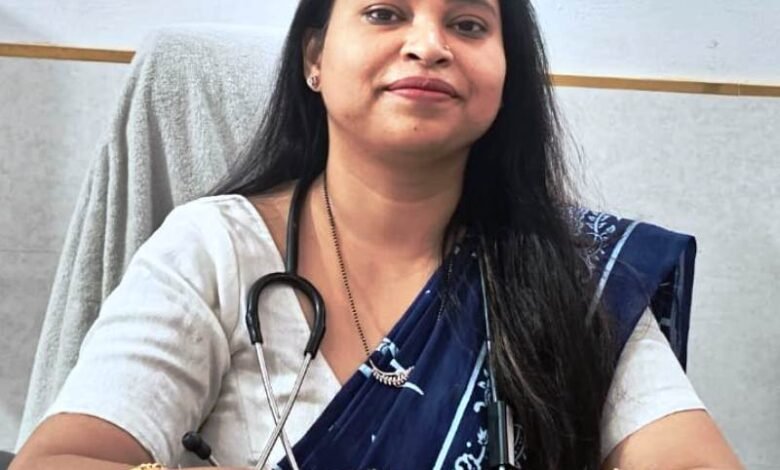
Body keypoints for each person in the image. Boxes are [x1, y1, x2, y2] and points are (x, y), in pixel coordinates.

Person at [11, 0, 743, 469]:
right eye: (386, 13)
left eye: (468, 24)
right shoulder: (214, 248)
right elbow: (63, 459)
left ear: (506, 75)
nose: (428, 45)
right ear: (314, 58)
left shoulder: (577, 275)